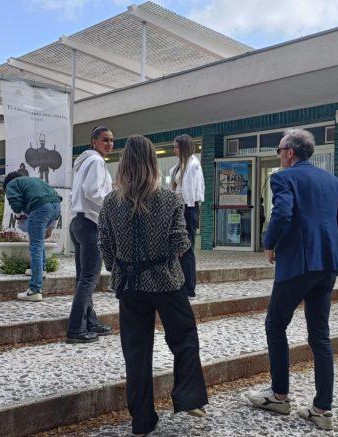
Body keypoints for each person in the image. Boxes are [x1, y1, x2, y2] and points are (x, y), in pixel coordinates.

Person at [98, 135, 208, 436]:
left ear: (124, 164)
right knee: (184, 338)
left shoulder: (111, 201)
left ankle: (142, 420)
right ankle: (187, 396)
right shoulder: (170, 199)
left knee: (135, 352)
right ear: (152, 161)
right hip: (166, 281)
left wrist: (117, 268)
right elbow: (181, 242)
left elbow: (104, 244)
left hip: (130, 285)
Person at [245, 129, 338, 431]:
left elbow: (283, 213)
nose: (278, 155)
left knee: (275, 324)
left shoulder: (283, 177)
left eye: (279, 150)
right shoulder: (332, 180)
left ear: (290, 152)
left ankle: (280, 395)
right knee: (320, 336)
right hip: (327, 262)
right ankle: (322, 409)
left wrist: (270, 242)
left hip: (298, 265)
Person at [67, 126, 114, 343]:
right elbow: (93, 191)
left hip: (78, 221)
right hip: (90, 223)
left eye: (112, 140)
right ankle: (76, 329)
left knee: (83, 278)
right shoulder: (96, 161)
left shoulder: (84, 161)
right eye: (105, 140)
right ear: (94, 141)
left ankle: (89, 320)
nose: (109, 144)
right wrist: (112, 210)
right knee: (88, 278)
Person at [3, 171, 62, 302]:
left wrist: (18, 217)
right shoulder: (35, 180)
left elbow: (15, 203)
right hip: (56, 206)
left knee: (35, 245)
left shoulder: (12, 184)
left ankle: (35, 290)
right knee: (39, 242)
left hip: (41, 207)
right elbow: (53, 197)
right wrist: (51, 227)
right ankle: (41, 270)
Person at [169, 134, 205, 298]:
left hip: (188, 208)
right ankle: (182, 284)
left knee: (187, 248)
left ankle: (189, 289)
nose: (174, 150)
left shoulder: (193, 164)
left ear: (183, 147)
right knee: (180, 247)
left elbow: (190, 191)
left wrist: (180, 207)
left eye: (176, 147)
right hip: (180, 208)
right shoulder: (180, 165)